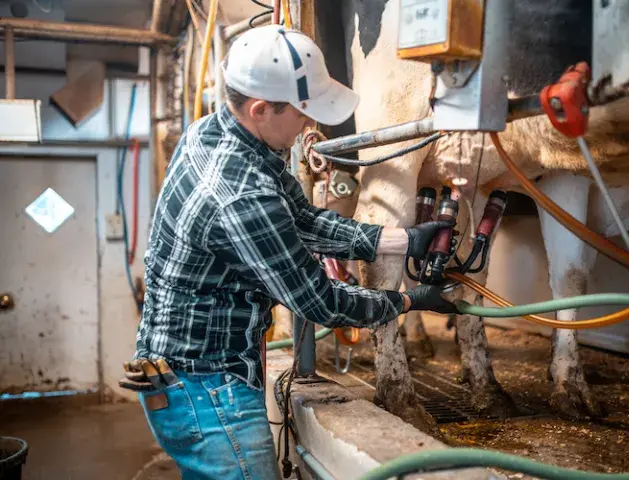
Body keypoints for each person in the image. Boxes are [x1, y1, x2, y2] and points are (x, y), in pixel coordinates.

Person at [122, 24, 457, 479]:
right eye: (303, 113)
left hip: (193, 374)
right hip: (207, 392)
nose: (311, 125)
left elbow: (301, 219)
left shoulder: (217, 133)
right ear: (261, 108)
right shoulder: (240, 194)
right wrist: (405, 302)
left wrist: (397, 239)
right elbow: (320, 301)